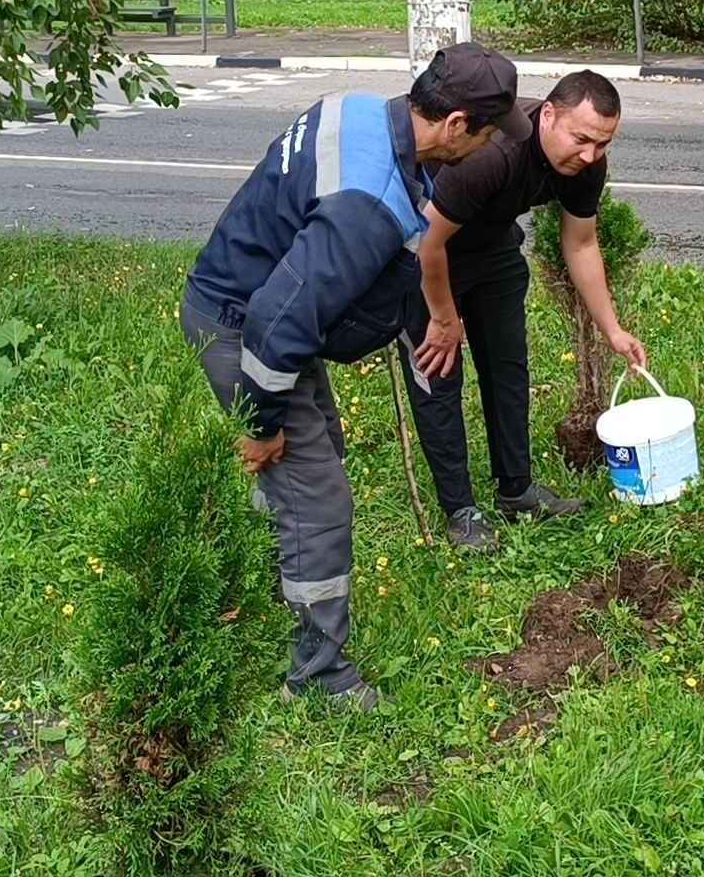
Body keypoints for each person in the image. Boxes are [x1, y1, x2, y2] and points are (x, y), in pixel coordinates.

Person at [179, 42, 532, 711]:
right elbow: (278, 326)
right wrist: (262, 424)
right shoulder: (367, 204)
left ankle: (270, 563)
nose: (492, 149)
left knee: (318, 461)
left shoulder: (365, 112)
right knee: (320, 501)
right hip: (245, 329)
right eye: (488, 135)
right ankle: (317, 678)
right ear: (455, 124)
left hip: (258, 304)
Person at [400, 70, 647, 551]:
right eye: (581, 139)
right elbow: (428, 240)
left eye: (602, 143)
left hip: (491, 248)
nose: (590, 155)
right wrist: (446, 319)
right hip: (425, 249)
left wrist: (612, 329)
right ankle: (460, 511)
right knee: (439, 371)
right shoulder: (494, 153)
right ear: (547, 116)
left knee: (508, 369)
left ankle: (516, 490)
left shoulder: (586, 161)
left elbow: (581, 243)